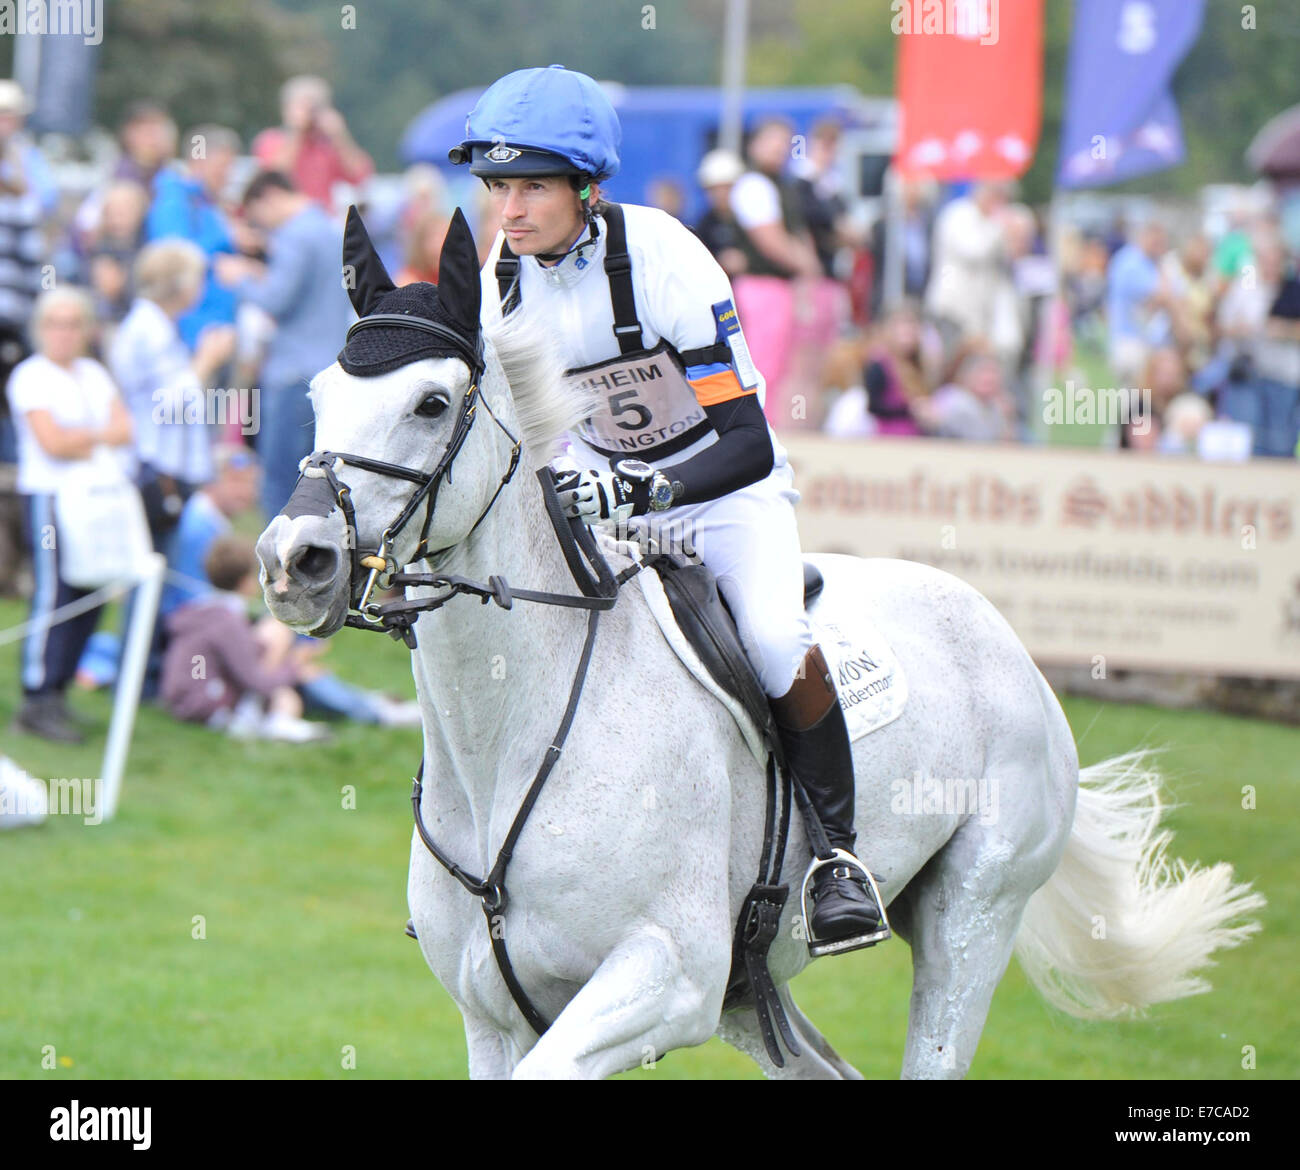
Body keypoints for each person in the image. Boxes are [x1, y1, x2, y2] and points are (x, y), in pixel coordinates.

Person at [451, 64, 883, 947]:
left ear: (588, 189)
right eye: (500, 186)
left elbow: (748, 441)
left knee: (771, 639)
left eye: (532, 185)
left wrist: (649, 487)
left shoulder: (666, 258)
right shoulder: (504, 274)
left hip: (719, 488)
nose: (512, 209)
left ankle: (840, 860)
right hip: (605, 492)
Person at [7, 288, 134, 743]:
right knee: (54, 593)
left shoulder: (93, 373)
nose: (63, 333)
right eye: (54, 324)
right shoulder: (30, 376)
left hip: (95, 499)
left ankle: (59, 689)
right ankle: (36, 695)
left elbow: (125, 428)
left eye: (72, 324)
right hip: (50, 498)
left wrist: (82, 435)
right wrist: (97, 435)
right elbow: (52, 444)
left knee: (89, 590)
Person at [214, 170, 356, 520]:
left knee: (279, 481)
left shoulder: (294, 235)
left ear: (269, 198)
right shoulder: (326, 226)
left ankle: (279, 562)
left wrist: (240, 277)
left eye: (256, 216)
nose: (261, 227)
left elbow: (276, 300)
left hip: (292, 374)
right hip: (326, 369)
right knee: (317, 478)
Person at [161, 534, 330, 742]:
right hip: (209, 706)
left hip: (185, 700)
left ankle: (279, 720)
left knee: (273, 636)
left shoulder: (203, 609)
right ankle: (270, 722)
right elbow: (255, 680)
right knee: (285, 684)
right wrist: (295, 667)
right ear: (246, 582)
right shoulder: (226, 621)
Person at [728, 116, 823, 428]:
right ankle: (756, 428)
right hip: (762, 286)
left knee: (778, 364)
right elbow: (771, 241)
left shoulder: (780, 186)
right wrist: (807, 265)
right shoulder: (754, 184)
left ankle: (770, 426)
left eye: (785, 143)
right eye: (774, 141)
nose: (780, 149)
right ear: (755, 145)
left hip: (778, 287)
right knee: (762, 364)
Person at [145, 124, 242, 350]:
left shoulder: (206, 203)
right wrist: (228, 242)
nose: (227, 176)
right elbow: (173, 258)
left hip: (215, 332)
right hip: (191, 335)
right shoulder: (174, 201)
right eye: (222, 167)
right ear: (198, 161)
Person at [251, 76, 374, 212]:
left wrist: (340, 136)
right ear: (286, 109)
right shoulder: (271, 140)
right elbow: (274, 177)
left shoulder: (327, 148)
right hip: (284, 221)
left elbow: (360, 176)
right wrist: (297, 131)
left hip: (321, 220)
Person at [692, 149, 747, 278]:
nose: (720, 194)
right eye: (714, 189)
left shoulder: (751, 221)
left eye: (726, 187)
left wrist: (747, 261)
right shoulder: (704, 225)